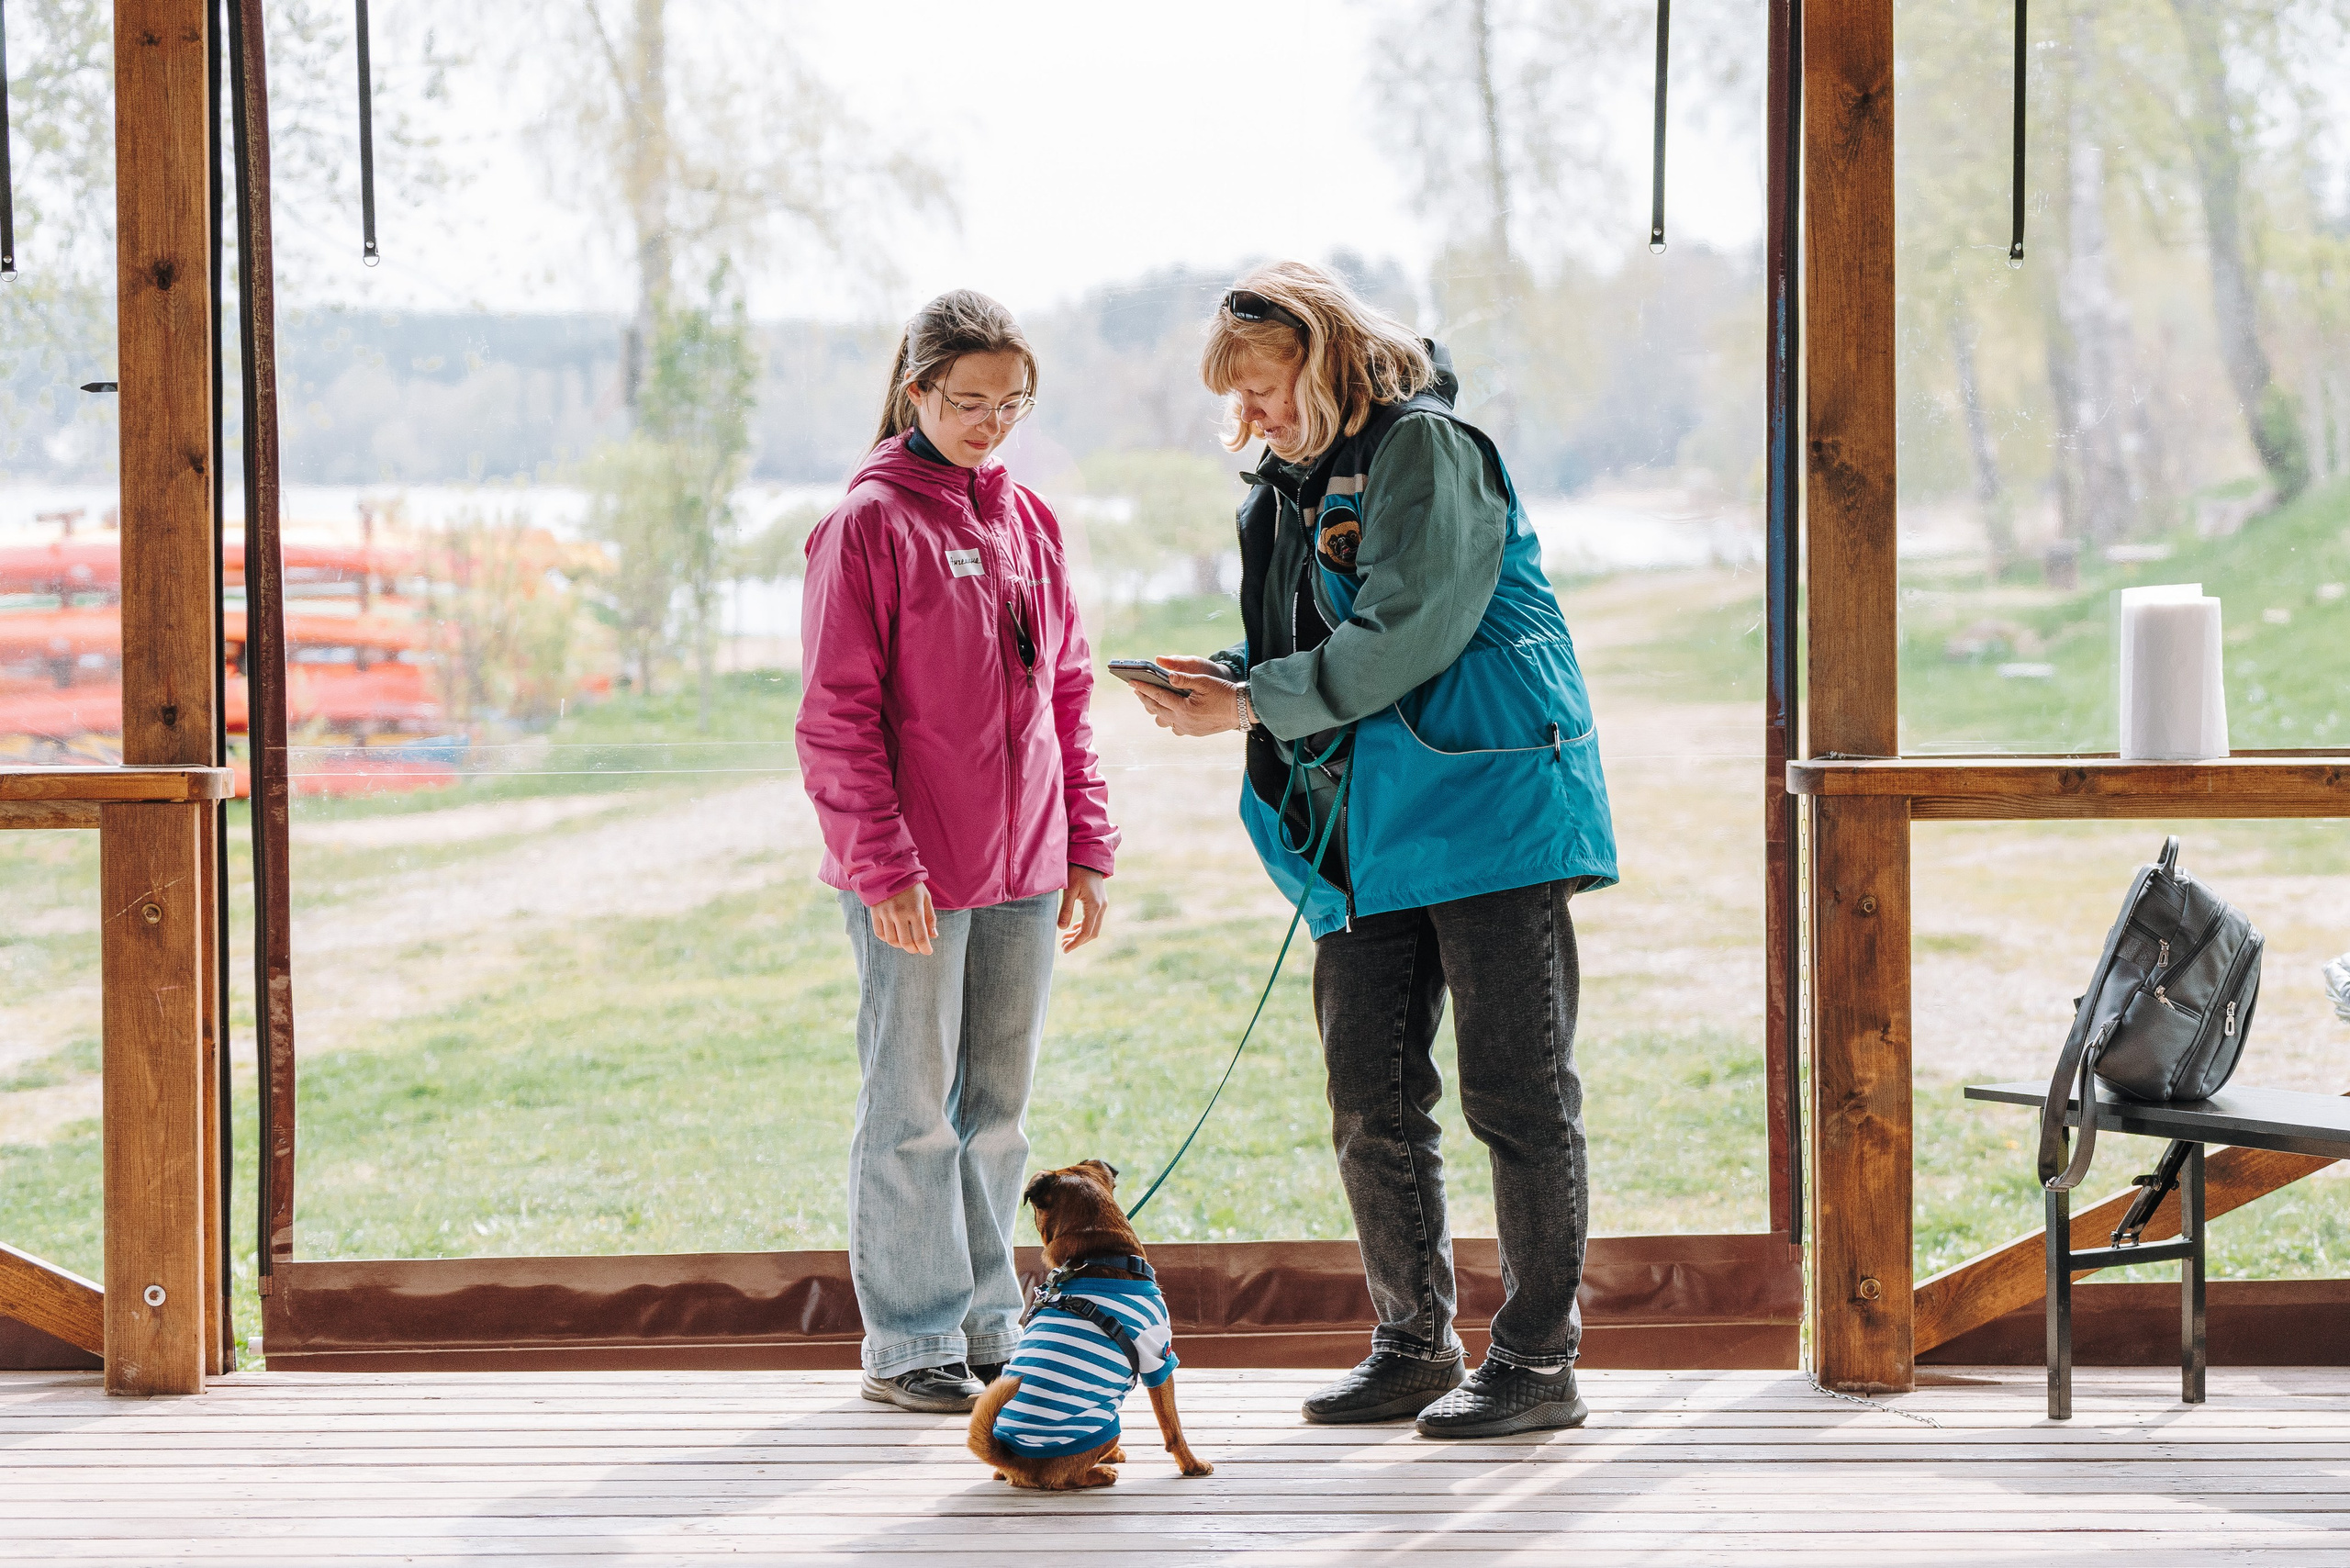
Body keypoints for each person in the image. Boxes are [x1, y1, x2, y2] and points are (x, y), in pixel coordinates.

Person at [1127, 261, 1616, 1439]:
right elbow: (1315, 636)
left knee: (1517, 1095)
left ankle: (1537, 1362)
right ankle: (1412, 1344)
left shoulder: (1428, 449)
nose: (1249, 417)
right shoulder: (1286, 490)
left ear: (1327, 356)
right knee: (1370, 1099)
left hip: (1489, 815)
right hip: (1371, 828)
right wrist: (1228, 678)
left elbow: (1404, 631)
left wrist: (1249, 705)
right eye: (1236, 399)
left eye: (1263, 387)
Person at [796, 289, 1118, 1414]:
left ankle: (989, 1325)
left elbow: (1067, 695)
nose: (991, 423)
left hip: (1027, 867)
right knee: (911, 1112)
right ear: (916, 390)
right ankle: (911, 1341)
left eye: (1012, 403)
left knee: (997, 1109)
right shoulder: (866, 525)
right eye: (970, 400)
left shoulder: (1030, 521)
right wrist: (882, 868)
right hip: (915, 877)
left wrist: (1086, 843)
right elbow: (835, 716)